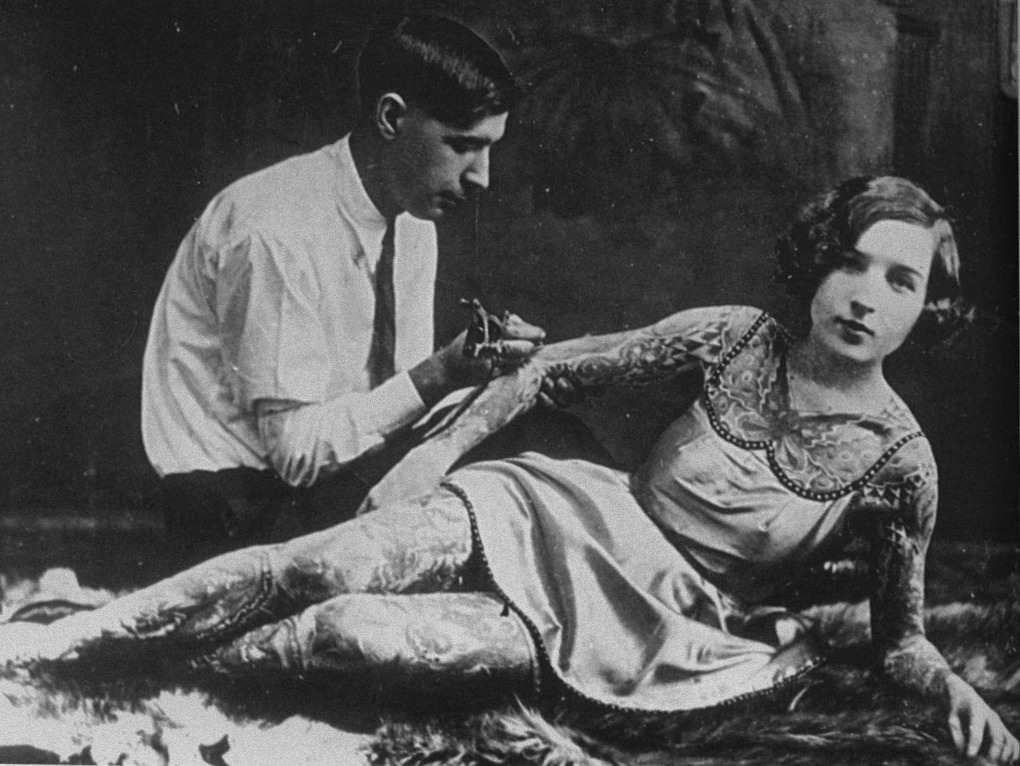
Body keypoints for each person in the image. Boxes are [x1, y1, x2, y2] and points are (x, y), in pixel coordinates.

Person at [4, 177, 1016, 763]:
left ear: (931, 305)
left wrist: (953, 696)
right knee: (323, 565)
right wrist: (434, 454)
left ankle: (127, 657)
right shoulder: (733, 339)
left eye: (901, 278)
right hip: (556, 510)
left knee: (354, 634)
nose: (866, 295)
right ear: (819, 263)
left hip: (654, 624)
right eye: (853, 262)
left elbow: (900, 640)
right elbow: (546, 370)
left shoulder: (902, 467)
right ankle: (47, 657)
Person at [140, 14, 554, 563]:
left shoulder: (413, 225)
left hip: (327, 482)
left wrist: (492, 376)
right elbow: (297, 453)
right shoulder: (275, 228)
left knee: (543, 440)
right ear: (391, 117)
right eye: (462, 145)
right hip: (235, 505)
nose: (482, 177)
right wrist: (441, 374)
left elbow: (400, 412)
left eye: (489, 149)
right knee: (518, 484)